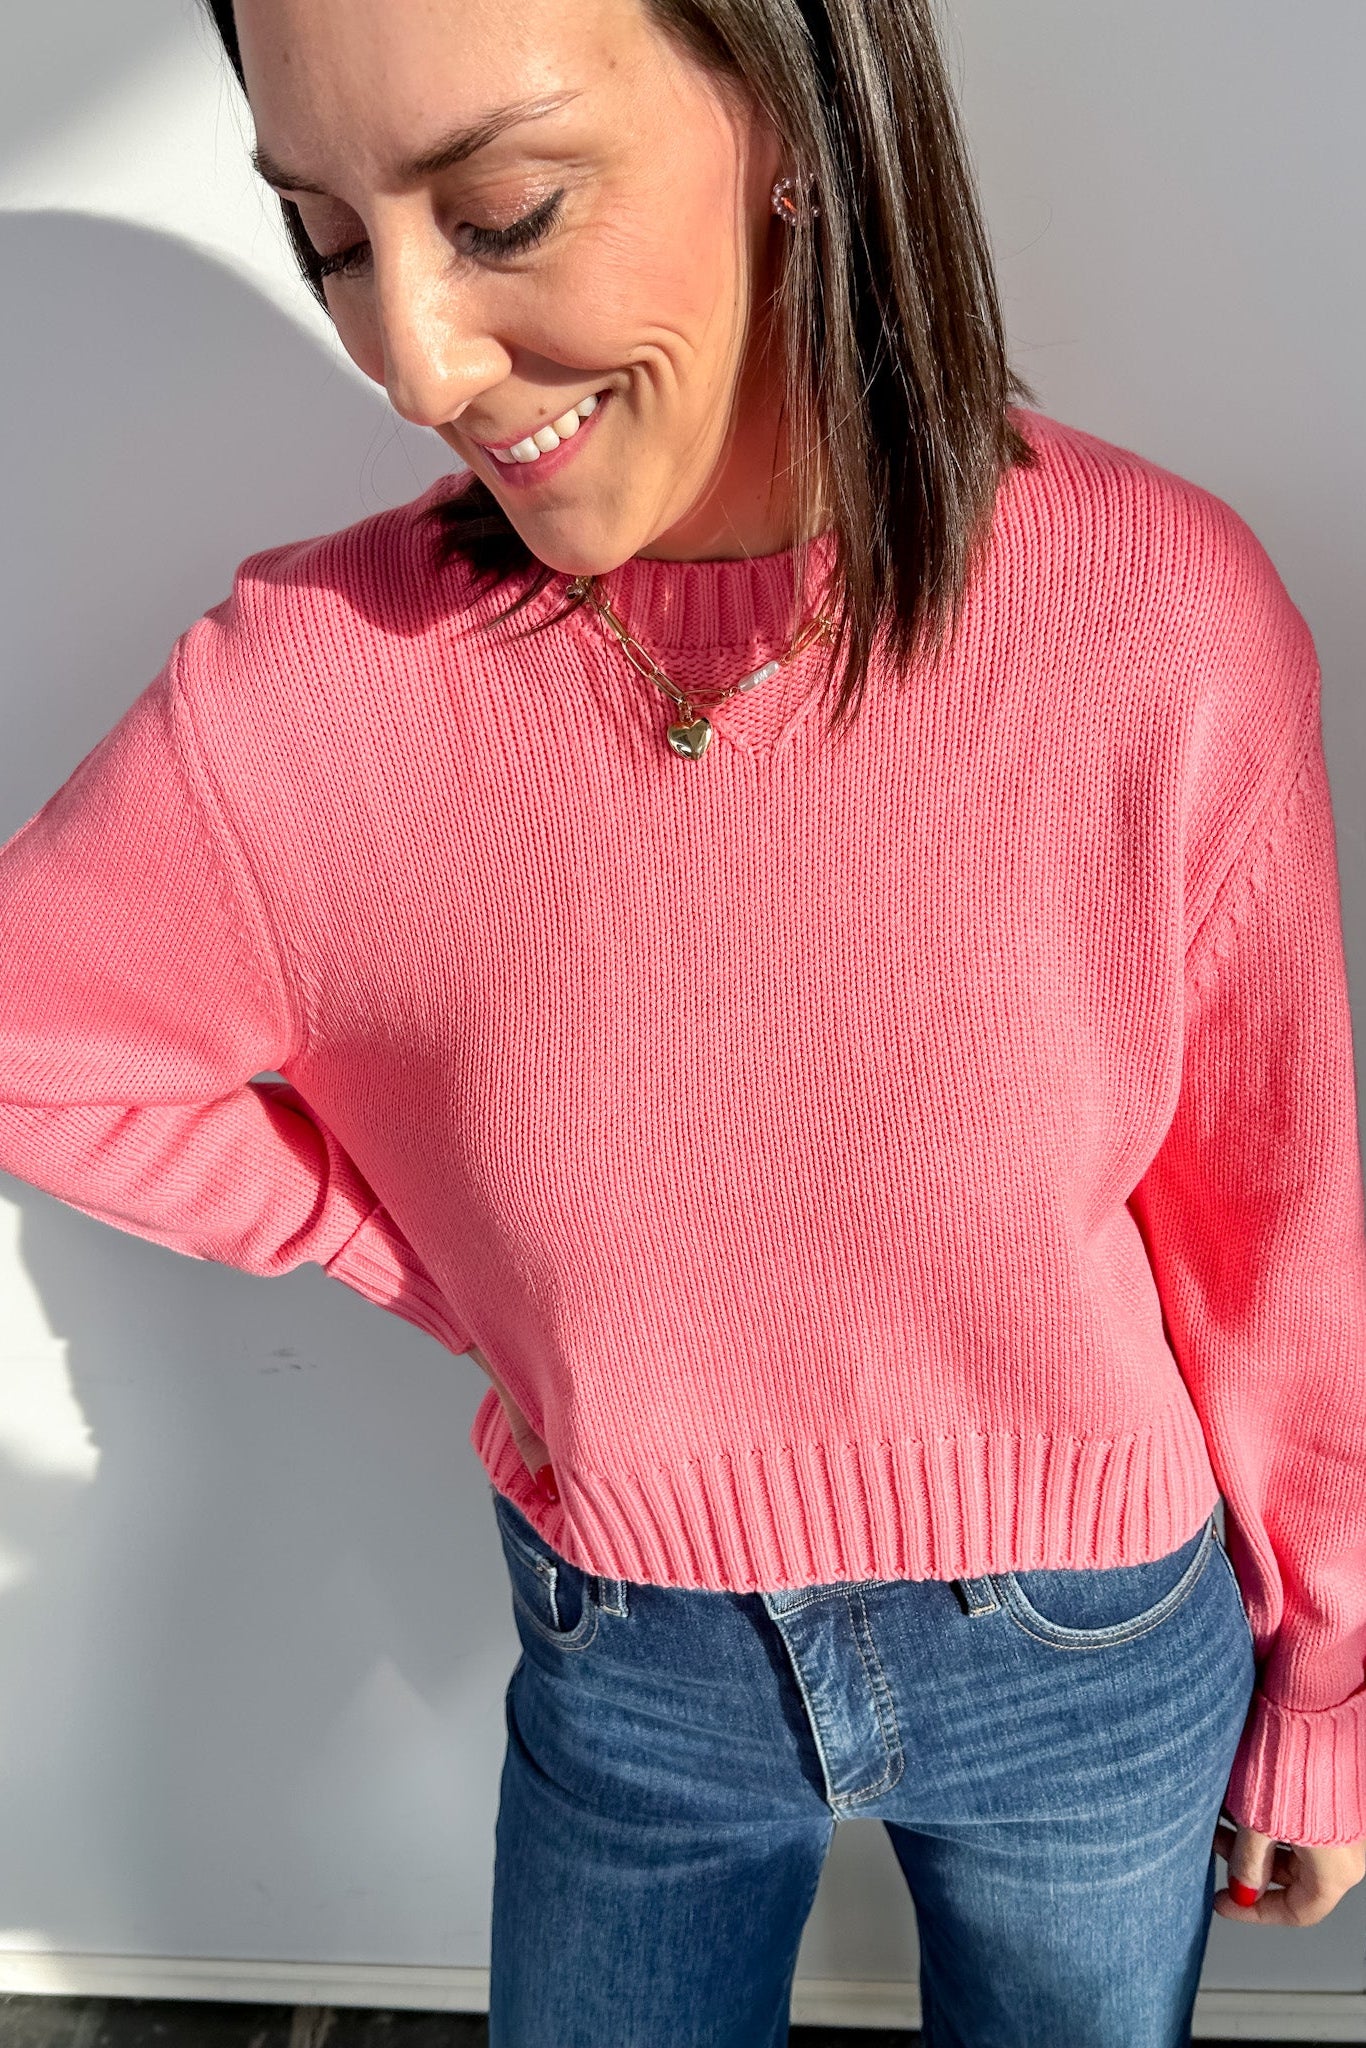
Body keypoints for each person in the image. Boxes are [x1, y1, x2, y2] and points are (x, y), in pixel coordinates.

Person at [2, 0, 1363, 2040]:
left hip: (1090, 1640)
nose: (412, 360)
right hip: (627, 1643)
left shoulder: (1155, 622)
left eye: (504, 206)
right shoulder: (300, 692)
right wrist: (439, 1253)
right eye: (328, 238)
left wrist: (1326, 1684)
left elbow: (1275, 1218)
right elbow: (38, 1035)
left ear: (788, 114)